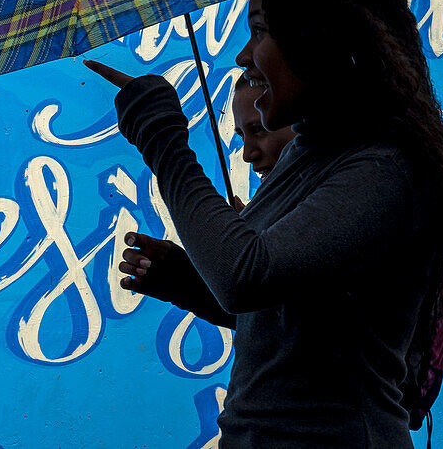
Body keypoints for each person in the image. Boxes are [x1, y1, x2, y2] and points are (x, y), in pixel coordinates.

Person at [85, 0, 443, 448]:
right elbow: (297, 319)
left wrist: (162, 139)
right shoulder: (311, 151)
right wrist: (190, 284)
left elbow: (245, 276)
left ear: (319, 37)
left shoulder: (386, 167)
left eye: (260, 31)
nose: (245, 57)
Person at [101, 74, 297, 328]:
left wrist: (158, 131)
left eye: (259, 129)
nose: (248, 154)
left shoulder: (347, 196)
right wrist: (183, 280)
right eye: (241, 135)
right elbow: (281, 327)